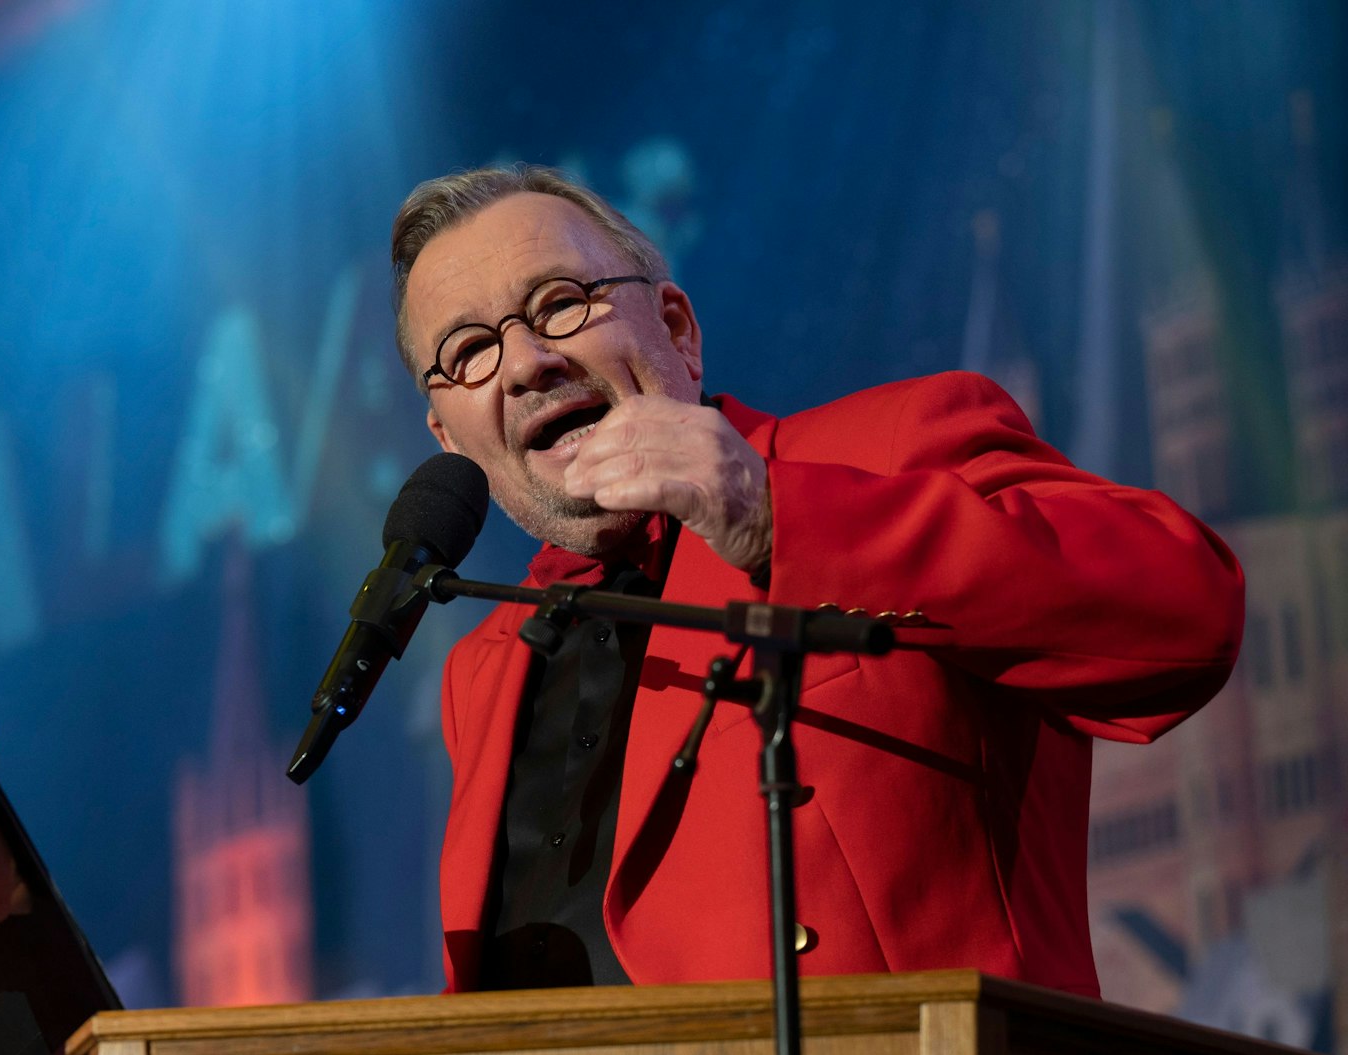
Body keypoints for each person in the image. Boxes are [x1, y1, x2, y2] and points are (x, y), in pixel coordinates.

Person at [391, 164, 1243, 997]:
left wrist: (777, 519)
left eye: (559, 304)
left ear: (678, 331)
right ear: (449, 440)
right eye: (470, 351)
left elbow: (1187, 612)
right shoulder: (480, 672)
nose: (525, 362)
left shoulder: (890, 449)